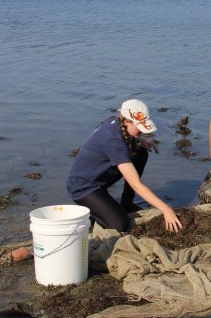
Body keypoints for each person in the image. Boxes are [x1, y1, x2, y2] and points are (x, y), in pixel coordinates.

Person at [67, 99, 182, 232]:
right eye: (139, 127)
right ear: (127, 121)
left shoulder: (115, 121)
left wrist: (140, 139)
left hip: (98, 179)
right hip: (82, 187)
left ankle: (127, 203)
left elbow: (120, 135)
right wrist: (166, 209)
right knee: (119, 224)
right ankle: (89, 214)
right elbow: (136, 184)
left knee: (140, 153)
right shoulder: (114, 142)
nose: (142, 131)